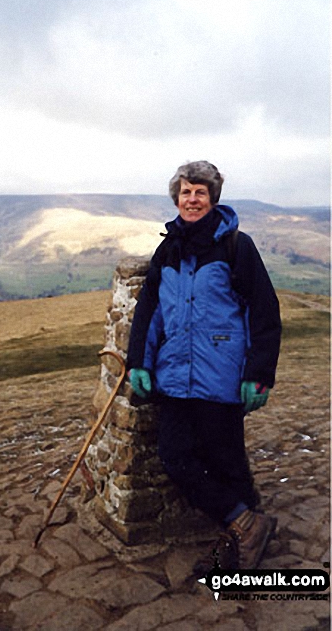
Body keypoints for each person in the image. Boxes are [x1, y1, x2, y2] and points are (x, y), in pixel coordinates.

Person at [126, 161, 281, 576]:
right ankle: (248, 524)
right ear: (176, 198)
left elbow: (263, 310)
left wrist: (259, 373)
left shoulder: (235, 245)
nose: (192, 199)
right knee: (175, 457)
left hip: (221, 375)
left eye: (200, 192)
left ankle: (240, 543)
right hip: (174, 377)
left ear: (213, 198)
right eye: (185, 192)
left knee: (227, 460)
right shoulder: (168, 250)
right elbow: (149, 312)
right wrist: (138, 361)